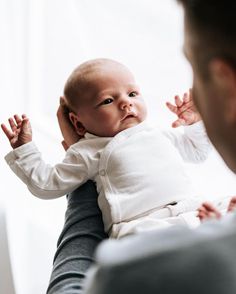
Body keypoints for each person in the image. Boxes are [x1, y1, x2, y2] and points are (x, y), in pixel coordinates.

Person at [81, 1, 236, 294]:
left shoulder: (132, 272)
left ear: (226, 84)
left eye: (194, 69)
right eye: (108, 100)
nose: (126, 103)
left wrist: (84, 170)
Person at [1, 58, 210, 240]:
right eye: (108, 100)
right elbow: (46, 184)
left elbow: (197, 152)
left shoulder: (157, 133)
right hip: (144, 226)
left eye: (132, 93)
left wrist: (194, 124)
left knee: (227, 209)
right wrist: (24, 148)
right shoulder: (88, 151)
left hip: (191, 210)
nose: (126, 103)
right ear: (79, 123)